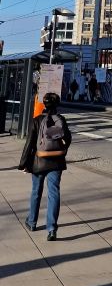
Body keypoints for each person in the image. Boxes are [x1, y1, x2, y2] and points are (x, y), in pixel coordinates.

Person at [18, 91, 72, 240]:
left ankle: (32, 222)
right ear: (57, 104)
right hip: (56, 162)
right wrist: (62, 153)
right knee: (54, 193)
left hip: (39, 161)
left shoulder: (36, 120)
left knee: (36, 191)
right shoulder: (61, 119)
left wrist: (23, 163)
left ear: (44, 103)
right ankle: (52, 229)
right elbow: (67, 139)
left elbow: (29, 144)